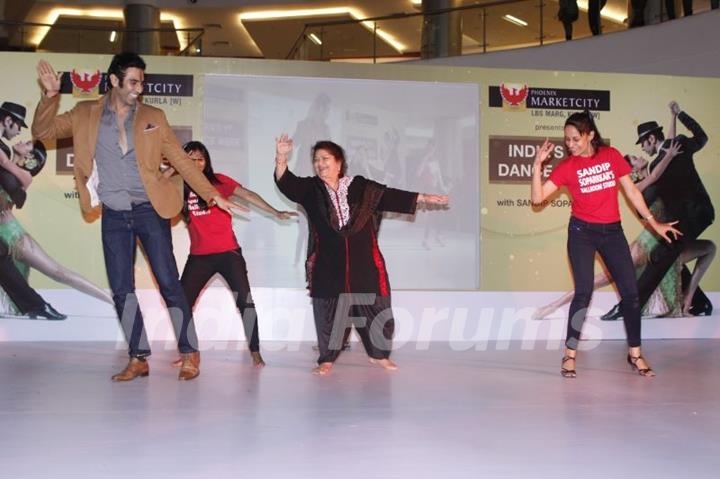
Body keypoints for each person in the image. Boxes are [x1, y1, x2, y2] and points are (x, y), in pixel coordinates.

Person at [32, 53, 241, 382]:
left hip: (149, 211)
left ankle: (190, 352)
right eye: (132, 82)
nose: (138, 88)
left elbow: (182, 161)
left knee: (170, 284)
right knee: (121, 289)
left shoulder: (153, 116)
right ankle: (138, 357)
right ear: (114, 81)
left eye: (141, 82)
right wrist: (49, 96)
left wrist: (211, 193)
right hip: (114, 214)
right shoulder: (85, 114)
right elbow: (43, 130)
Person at [274, 134, 449, 375]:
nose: (320, 164)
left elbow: (388, 195)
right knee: (329, 311)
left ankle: (379, 355)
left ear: (339, 162)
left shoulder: (359, 186)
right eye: (316, 160)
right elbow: (287, 184)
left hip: (364, 261)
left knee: (375, 306)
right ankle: (327, 358)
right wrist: (282, 156)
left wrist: (423, 198)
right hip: (328, 262)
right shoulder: (310, 189)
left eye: (325, 159)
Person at [531, 110, 681, 378]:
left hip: (612, 233)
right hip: (581, 233)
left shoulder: (611, 156)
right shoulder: (567, 167)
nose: (570, 144)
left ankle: (635, 354)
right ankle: (569, 354)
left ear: (590, 136)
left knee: (632, 294)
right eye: (567, 140)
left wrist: (653, 223)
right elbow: (537, 198)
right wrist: (537, 166)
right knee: (584, 293)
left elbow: (633, 192)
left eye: (576, 139)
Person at [533, 142, 715, 320]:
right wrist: (669, 155)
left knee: (709, 248)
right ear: (633, 171)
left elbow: (661, 170)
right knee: (604, 277)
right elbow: (654, 176)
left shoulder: (658, 179)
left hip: (662, 243)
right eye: (635, 158)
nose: (640, 156)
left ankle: (689, 300)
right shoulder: (639, 186)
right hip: (646, 243)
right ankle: (552, 306)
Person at [167, 141, 296, 368]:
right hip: (199, 256)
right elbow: (159, 189)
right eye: (190, 158)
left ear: (206, 162)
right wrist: (174, 167)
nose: (196, 163)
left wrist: (275, 212)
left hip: (228, 254)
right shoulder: (179, 186)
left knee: (245, 303)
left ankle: (255, 351)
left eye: (200, 158)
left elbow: (247, 194)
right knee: (181, 304)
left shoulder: (219, 182)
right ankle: (188, 351)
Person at [601, 101, 713, 322]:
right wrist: (678, 115)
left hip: (690, 218)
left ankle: (629, 306)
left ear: (651, 139)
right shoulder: (675, 146)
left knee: (661, 256)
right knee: (665, 256)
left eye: (643, 144)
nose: (642, 149)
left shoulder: (658, 164)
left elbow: (658, 164)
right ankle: (699, 302)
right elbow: (700, 137)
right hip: (702, 213)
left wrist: (674, 120)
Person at [0, 140, 113, 312]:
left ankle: (114, 301)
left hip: (13, 237)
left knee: (59, 273)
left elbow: (5, 163)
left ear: (30, 157)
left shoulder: (25, 176)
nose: (22, 141)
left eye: (28, 144)